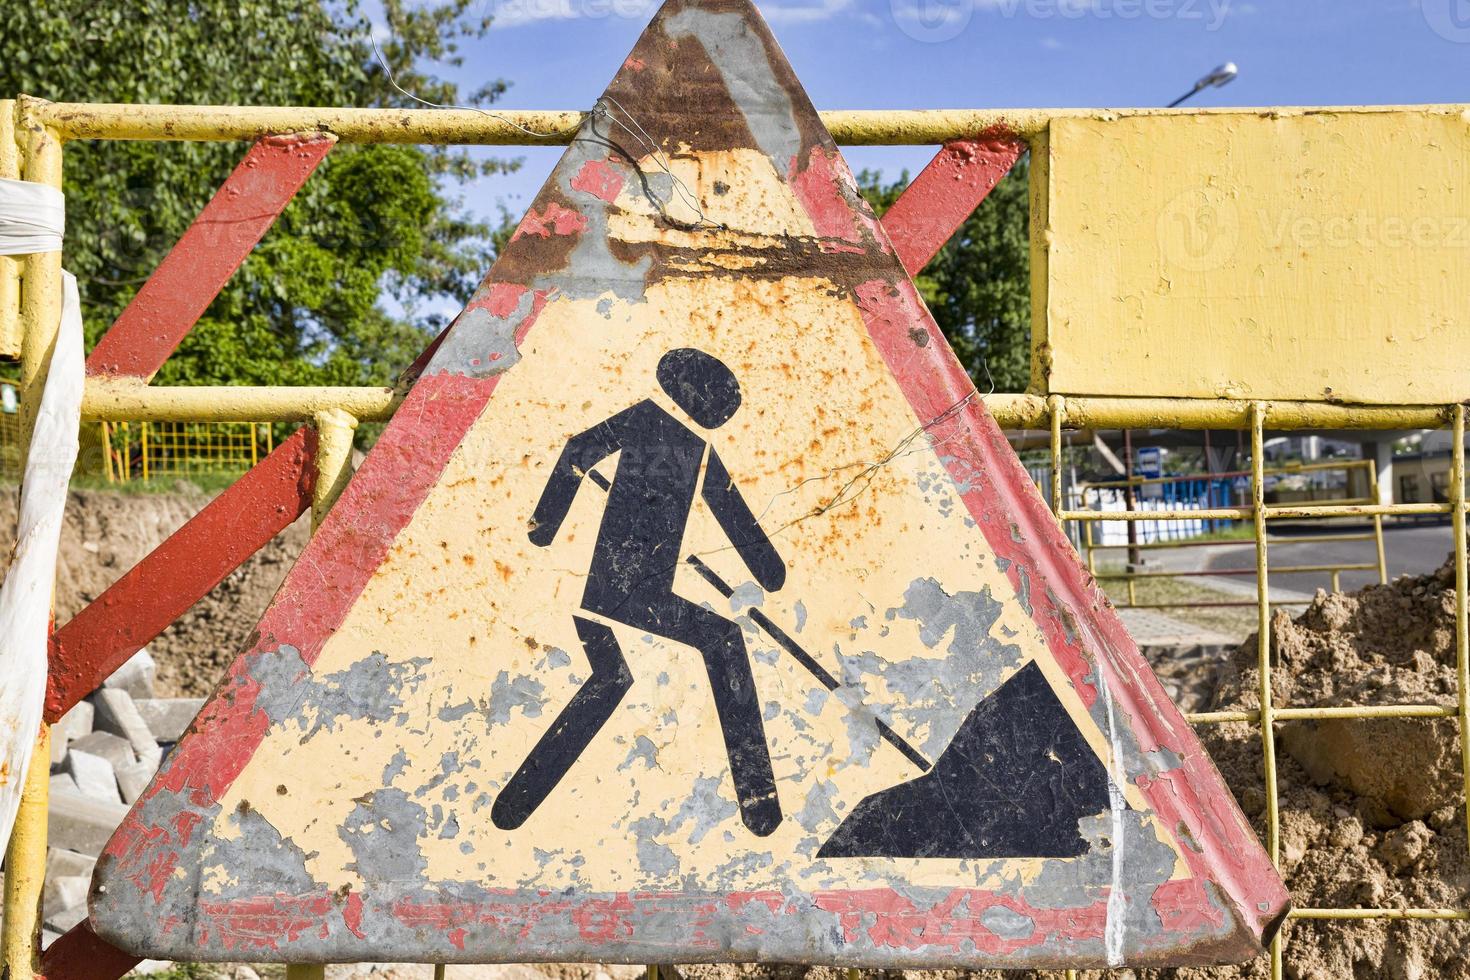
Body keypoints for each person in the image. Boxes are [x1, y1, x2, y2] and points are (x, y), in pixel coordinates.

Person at [491, 348, 787, 837]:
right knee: (724, 643)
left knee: (610, 678)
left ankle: (513, 804)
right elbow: (742, 526)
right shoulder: (674, 438)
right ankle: (758, 798)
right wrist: (770, 572)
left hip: (611, 587)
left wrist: (543, 528)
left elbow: (577, 454)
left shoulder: (658, 430)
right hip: (633, 591)